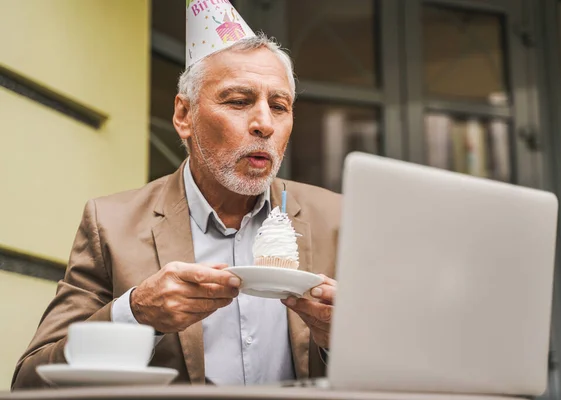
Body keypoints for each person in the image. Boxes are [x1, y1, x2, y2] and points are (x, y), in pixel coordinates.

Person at [12, 2, 340, 390]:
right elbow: (30, 382)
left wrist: (344, 340)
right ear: (184, 116)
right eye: (238, 101)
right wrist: (136, 314)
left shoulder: (337, 220)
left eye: (279, 106)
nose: (264, 124)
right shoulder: (111, 224)